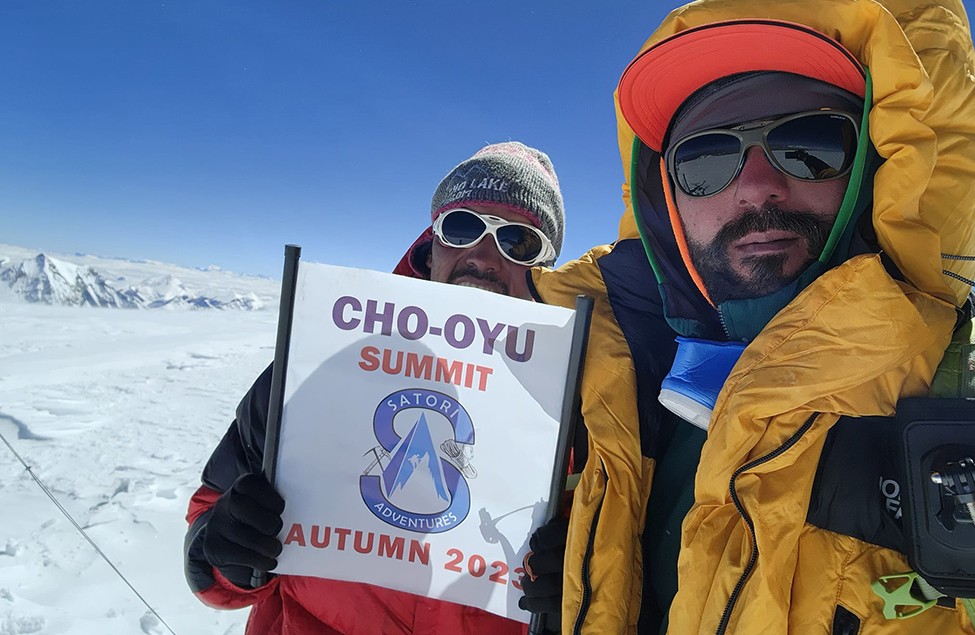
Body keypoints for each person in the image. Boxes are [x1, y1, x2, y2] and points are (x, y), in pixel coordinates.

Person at [521, 0, 975, 633]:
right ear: (667, 200)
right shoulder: (621, 374)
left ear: (874, 162)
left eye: (809, 145)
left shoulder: (955, 377)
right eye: (705, 161)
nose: (757, 184)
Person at [183, 141, 566, 634]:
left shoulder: (576, 404)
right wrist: (227, 548)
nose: (484, 256)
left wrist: (576, 596)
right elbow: (209, 537)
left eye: (520, 241)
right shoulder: (318, 360)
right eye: (463, 226)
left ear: (545, 269)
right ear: (432, 247)